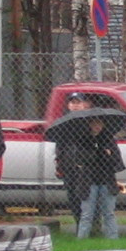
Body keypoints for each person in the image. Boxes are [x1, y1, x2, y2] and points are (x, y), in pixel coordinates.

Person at [75, 114, 125, 239]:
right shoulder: (83, 140)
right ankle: (81, 240)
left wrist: (106, 154)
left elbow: (116, 161)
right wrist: (96, 152)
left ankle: (113, 239)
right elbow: (81, 159)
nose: (96, 126)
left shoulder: (108, 140)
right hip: (89, 181)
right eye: (93, 123)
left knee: (109, 213)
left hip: (106, 181)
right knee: (87, 214)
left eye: (99, 124)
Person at [54, 92, 93, 220]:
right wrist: (60, 165)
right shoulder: (63, 123)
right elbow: (60, 147)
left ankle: (90, 225)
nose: (75, 105)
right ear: (68, 105)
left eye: (78, 102)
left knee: (87, 196)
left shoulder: (89, 122)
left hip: (86, 168)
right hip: (69, 167)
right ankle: (78, 224)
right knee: (73, 196)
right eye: (72, 102)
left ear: (85, 105)